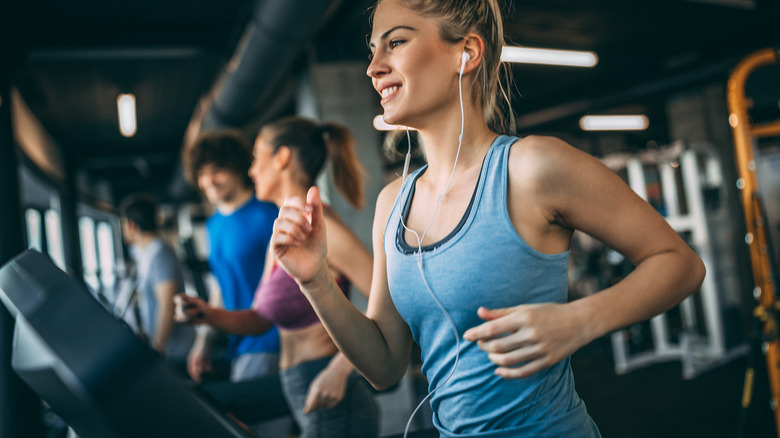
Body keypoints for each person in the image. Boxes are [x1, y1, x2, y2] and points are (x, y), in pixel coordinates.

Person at [270, 1, 707, 437]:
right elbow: (384, 366)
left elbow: (679, 262)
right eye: (372, 49)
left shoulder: (532, 168)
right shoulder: (392, 203)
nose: (373, 67)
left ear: (467, 52)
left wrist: (581, 320)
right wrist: (316, 281)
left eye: (395, 42)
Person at [176, 116, 379, 438]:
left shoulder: (323, 231)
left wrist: (340, 370)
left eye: (256, 158)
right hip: (297, 385)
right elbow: (260, 318)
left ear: (281, 158)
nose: (251, 170)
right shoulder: (282, 232)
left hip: (330, 388)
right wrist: (206, 314)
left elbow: (391, 302)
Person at [182, 130, 282, 383]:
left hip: (270, 340)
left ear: (239, 169)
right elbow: (221, 286)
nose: (209, 181)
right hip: (235, 341)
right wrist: (204, 340)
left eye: (217, 170)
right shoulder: (212, 225)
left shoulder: (269, 214)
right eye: (202, 174)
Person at [119, 193, 194, 363]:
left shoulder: (160, 253)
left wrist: (157, 350)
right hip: (165, 348)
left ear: (131, 225)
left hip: (175, 351)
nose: (123, 229)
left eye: (123, 224)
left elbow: (167, 305)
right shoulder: (147, 253)